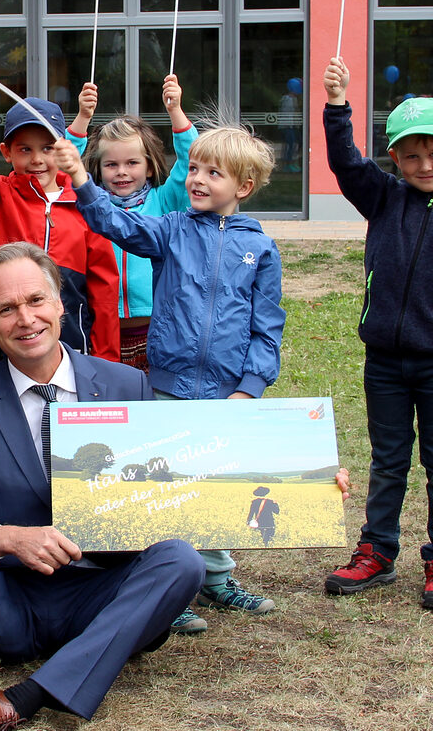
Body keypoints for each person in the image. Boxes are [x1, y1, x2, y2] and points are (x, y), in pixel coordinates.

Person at [0, 242, 203, 731]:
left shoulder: (129, 385)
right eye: (7, 308)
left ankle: (29, 696)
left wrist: (306, 487)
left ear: (61, 302)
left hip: (100, 594)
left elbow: (178, 490)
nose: (25, 318)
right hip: (5, 600)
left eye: (36, 300)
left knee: (182, 559)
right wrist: (5, 536)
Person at [59, 125, 284, 633]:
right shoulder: (171, 228)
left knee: (213, 485)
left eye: (212, 173)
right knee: (167, 487)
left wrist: (250, 386)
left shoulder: (261, 249)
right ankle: (168, 587)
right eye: (196, 170)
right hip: (168, 384)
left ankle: (217, 577)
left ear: (243, 186)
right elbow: (118, 226)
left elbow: (267, 325)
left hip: (226, 394)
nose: (197, 180)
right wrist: (81, 181)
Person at [320, 56, 433, 610]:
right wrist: (336, 107)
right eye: (412, 154)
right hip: (385, 363)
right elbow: (346, 163)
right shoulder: (382, 197)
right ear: (394, 157)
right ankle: (377, 550)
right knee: (388, 459)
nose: (425, 164)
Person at [0, 57, 120, 362]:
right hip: (3, 352)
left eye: (47, 148)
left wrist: (106, 361)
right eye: (25, 149)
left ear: (63, 148)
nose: (37, 159)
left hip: (73, 351)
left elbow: (105, 293)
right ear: (7, 152)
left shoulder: (88, 206)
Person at [69, 76, 198, 372]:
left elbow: (192, 156)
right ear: (97, 170)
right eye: (111, 164)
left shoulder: (166, 202)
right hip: (103, 331)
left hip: (157, 328)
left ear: (150, 166)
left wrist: (176, 110)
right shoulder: (88, 207)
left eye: (132, 163)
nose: (121, 172)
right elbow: (64, 164)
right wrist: (82, 118)